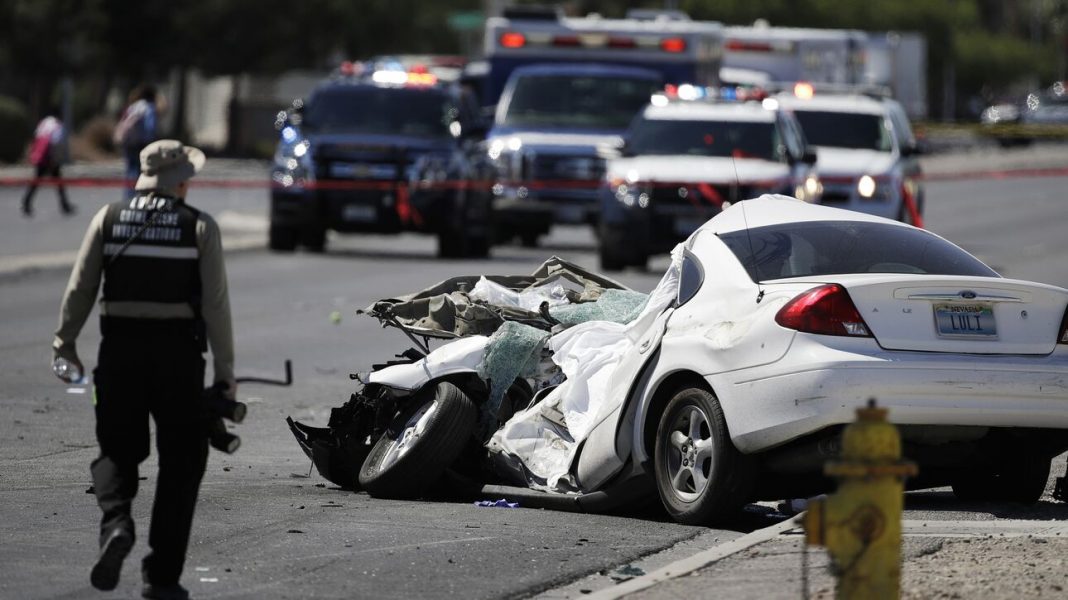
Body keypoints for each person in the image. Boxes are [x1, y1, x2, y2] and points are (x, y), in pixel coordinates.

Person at [52, 140, 234, 600]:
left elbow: (80, 288)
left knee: (116, 449)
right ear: (181, 182)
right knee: (182, 461)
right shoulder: (199, 228)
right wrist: (225, 375)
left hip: (119, 352)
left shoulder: (109, 219)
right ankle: (162, 577)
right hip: (178, 358)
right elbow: (215, 306)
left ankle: (116, 525)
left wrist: (65, 342)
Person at [21, 106, 74, 216]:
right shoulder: (57, 125)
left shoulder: (43, 123)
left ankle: (26, 202)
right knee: (59, 182)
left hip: (40, 155)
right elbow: (56, 143)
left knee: (36, 180)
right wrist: (55, 159)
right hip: (49, 157)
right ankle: (65, 205)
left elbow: (36, 137)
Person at [114, 85, 159, 198]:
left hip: (128, 142)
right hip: (141, 143)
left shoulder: (133, 106)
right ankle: (138, 196)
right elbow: (150, 127)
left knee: (130, 170)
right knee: (140, 171)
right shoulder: (149, 107)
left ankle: (128, 196)